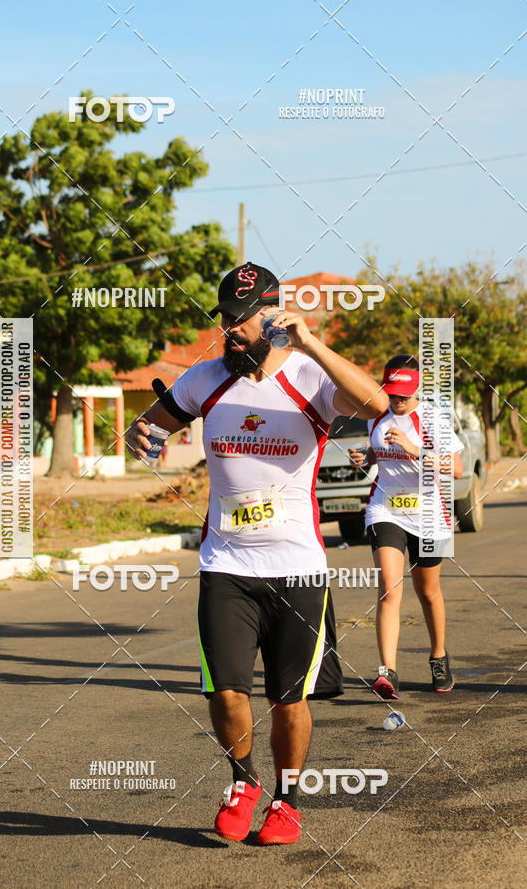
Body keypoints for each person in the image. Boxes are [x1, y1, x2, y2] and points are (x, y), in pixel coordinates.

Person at [126, 262, 389, 846]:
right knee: (226, 688)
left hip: (298, 567)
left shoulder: (308, 376)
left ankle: (288, 799)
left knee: (288, 697)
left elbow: (376, 405)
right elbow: (149, 425)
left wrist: (312, 341)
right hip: (226, 565)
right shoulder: (204, 379)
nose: (231, 329)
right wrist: (140, 434)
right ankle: (242, 781)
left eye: (242, 319)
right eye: (225, 318)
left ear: (272, 315)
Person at [349, 354, 464, 700]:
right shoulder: (376, 417)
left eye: (403, 395)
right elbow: (378, 452)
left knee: (428, 593)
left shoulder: (431, 419)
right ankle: (387, 672)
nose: (397, 402)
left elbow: (456, 469)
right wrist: (365, 458)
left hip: (428, 513)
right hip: (386, 510)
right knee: (389, 587)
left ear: (415, 390)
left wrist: (417, 450)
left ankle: (439, 657)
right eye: (392, 394)